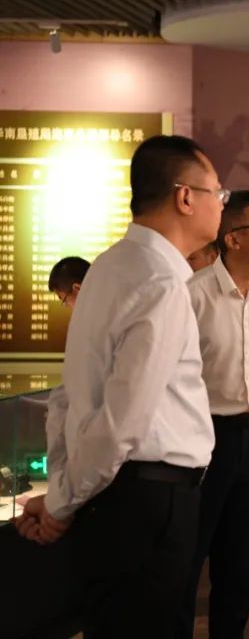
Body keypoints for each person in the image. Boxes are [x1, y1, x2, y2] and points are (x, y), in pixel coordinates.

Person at [12, 135, 224, 637]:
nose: (222, 204)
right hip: (148, 503)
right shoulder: (160, 283)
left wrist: (64, 492)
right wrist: (61, 503)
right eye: (218, 192)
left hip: (116, 498)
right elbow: (121, 421)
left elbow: (70, 398)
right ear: (185, 196)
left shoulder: (109, 266)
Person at [177, 191, 249, 638]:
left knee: (240, 561)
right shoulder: (193, 295)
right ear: (233, 239)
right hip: (200, 436)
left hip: (248, 435)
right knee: (188, 556)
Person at [0, 258, 91, 639]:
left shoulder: (93, 326)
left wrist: (59, 501)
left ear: (76, 290)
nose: (65, 307)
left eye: (62, 299)